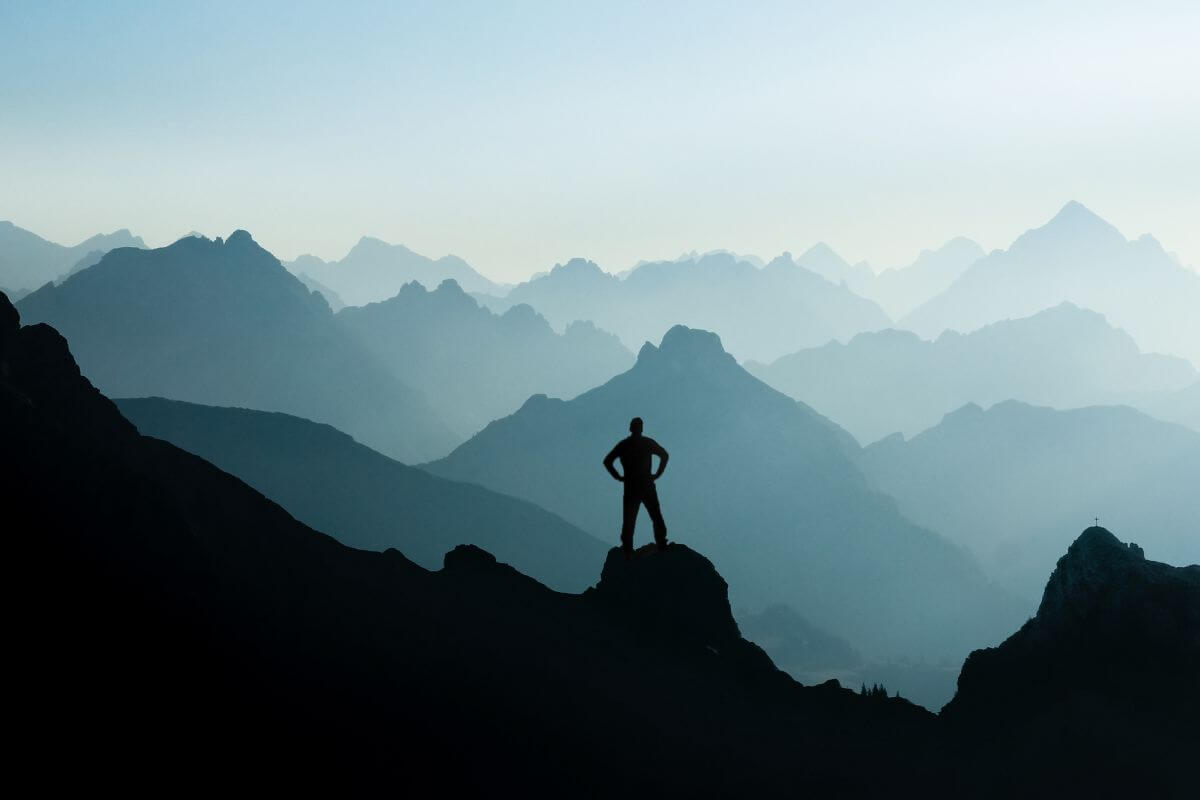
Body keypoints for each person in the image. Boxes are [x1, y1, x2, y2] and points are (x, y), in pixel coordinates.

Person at [603, 417, 669, 559]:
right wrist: (657, 474)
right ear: (641, 428)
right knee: (655, 516)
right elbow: (664, 455)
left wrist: (618, 476)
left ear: (631, 428)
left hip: (631, 485)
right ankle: (662, 544)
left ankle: (627, 550)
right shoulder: (647, 443)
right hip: (646, 484)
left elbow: (607, 461)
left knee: (629, 519)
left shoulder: (624, 445)